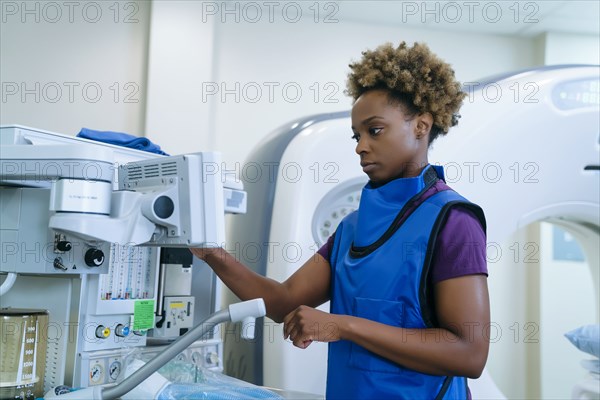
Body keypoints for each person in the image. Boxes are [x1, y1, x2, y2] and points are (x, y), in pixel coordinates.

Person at [191, 41, 490, 400]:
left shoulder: (453, 221)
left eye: (374, 130)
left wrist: (342, 326)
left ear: (421, 126)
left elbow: (469, 353)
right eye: (357, 135)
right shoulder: (351, 228)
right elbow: (282, 302)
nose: (360, 146)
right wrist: (209, 250)